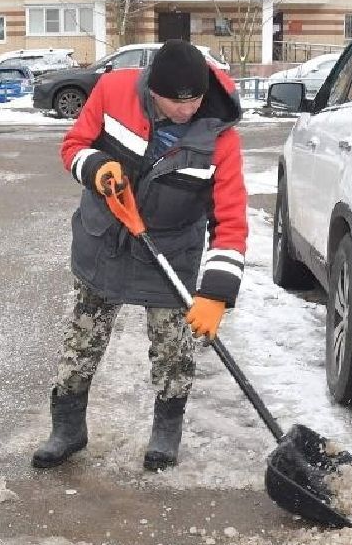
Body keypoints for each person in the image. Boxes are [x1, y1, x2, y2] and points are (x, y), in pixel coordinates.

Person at [33, 39, 248, 472]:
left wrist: (216, 293)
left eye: (196, 100)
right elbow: (73, 145)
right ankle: (68, 427)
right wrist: (96, 167)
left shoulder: (220, 137)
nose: (187, 110)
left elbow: (231, 219)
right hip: (105, 240)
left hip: (170, 253)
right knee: (81, 343)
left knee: (173, 351)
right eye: (176, 101)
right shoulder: (113, 91)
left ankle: (166, 431)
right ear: (153, 90)